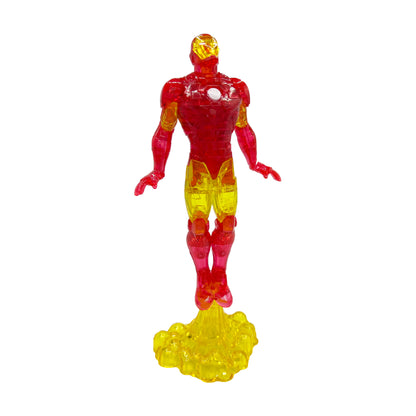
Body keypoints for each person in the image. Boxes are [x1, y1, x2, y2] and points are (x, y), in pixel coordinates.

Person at [135, 34, 280, 310]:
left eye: (210, 56)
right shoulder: (179, 89)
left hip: (224, 168)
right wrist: (156, 171)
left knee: (227, 224)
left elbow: (243, 128)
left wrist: (255, 163)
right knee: (199, 227)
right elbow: (164, 132)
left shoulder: (234, 88)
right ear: (192, 58)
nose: (206, 62)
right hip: (200, 169)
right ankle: (203, 278)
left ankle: (220, 276)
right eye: (202, 56)